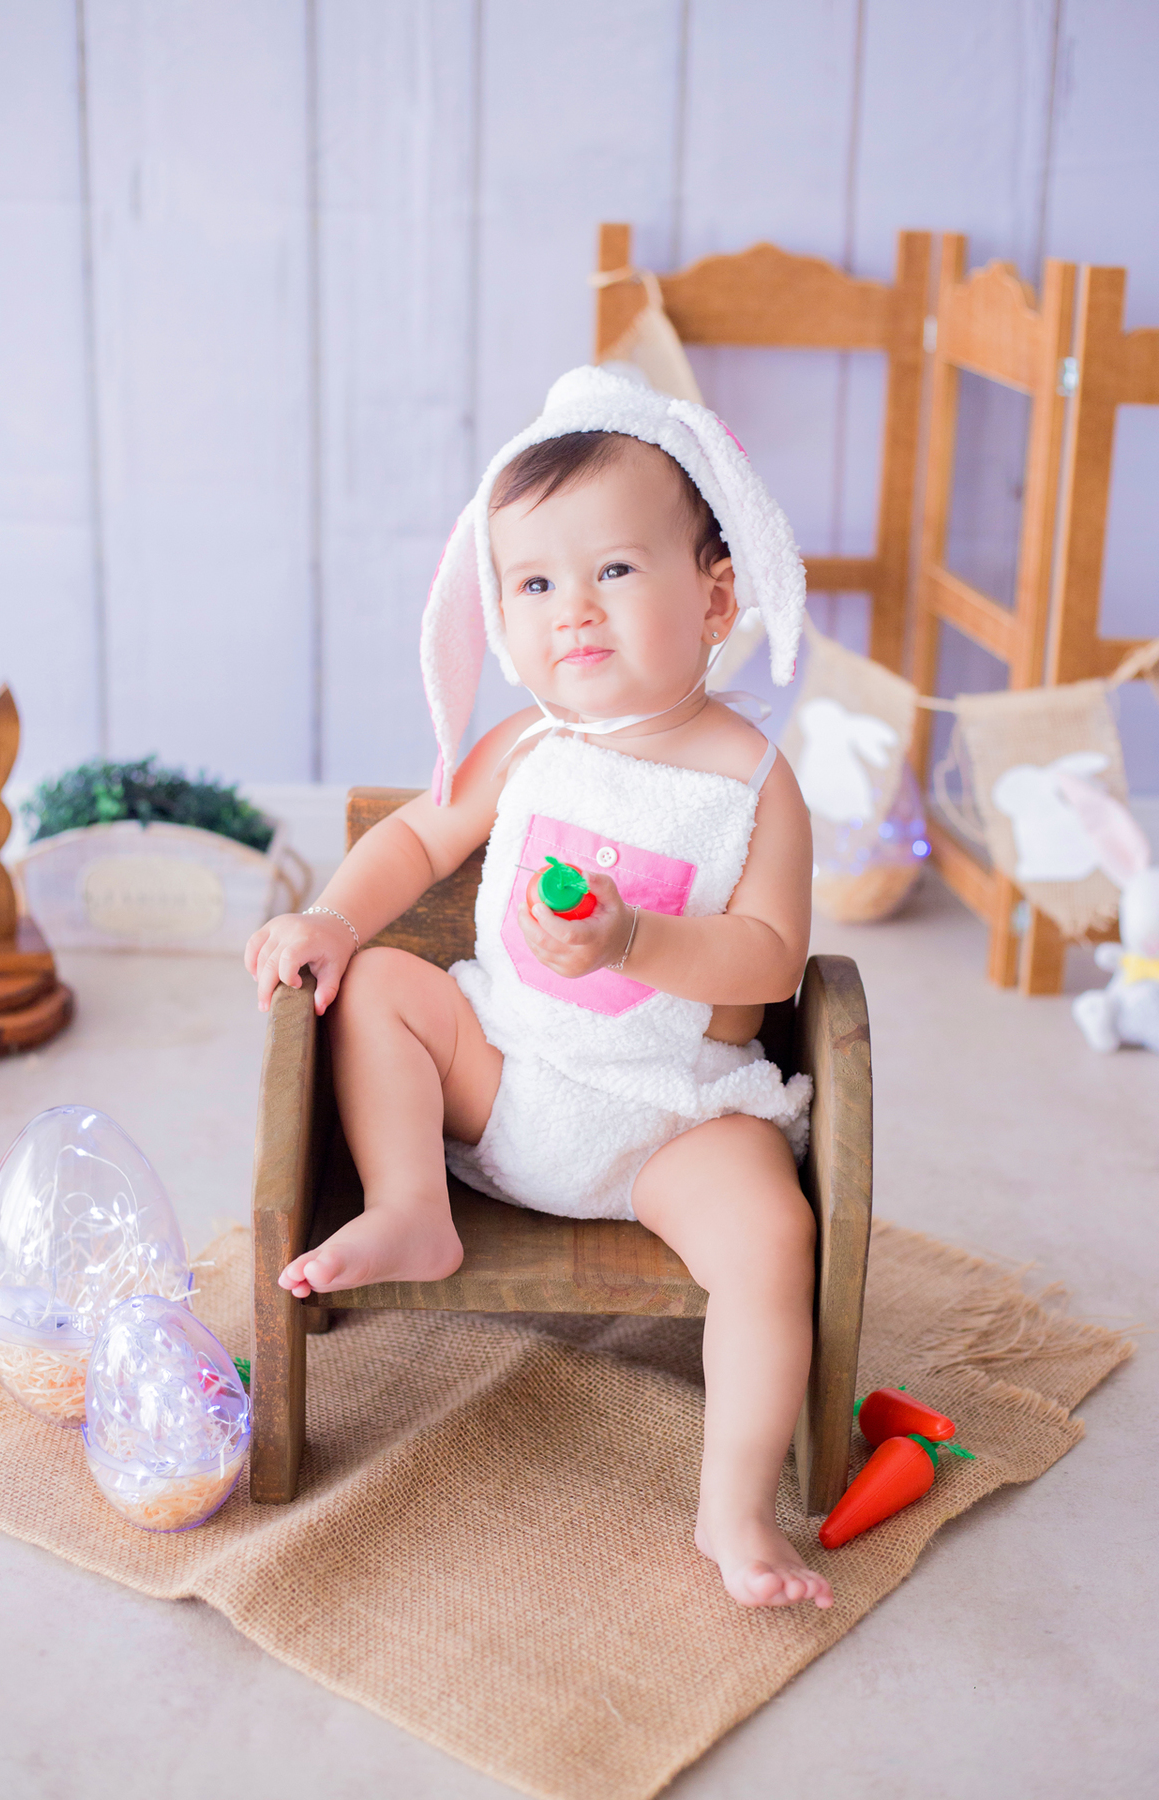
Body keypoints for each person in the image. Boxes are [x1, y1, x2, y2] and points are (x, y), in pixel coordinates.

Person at [246, 367, 832, 1610]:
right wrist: (335, 916)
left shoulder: (752, 778)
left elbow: (773, 954)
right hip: (503, 1077)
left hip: (673, 1119)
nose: (576, 610)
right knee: (392, 987)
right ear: (497, 618)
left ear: (715, 593)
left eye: (616, 570)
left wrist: (640, 946)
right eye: (535, 582)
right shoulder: (528, 745)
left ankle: (734, 1514)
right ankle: (414, 1203)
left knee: (774, 1231)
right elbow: (416, 843)